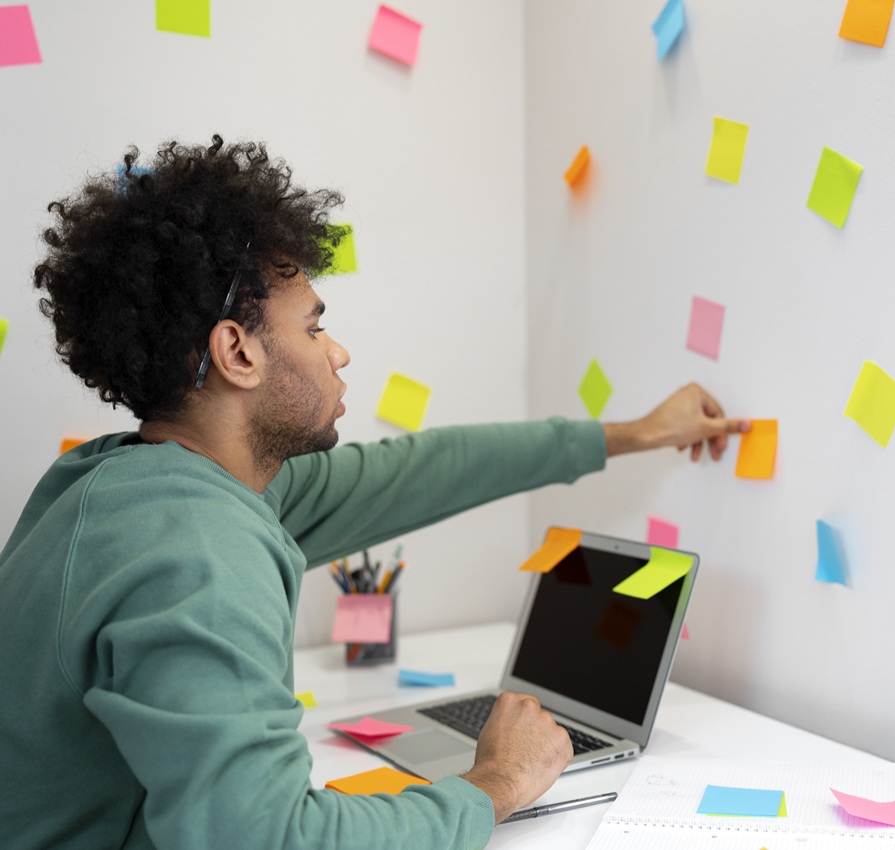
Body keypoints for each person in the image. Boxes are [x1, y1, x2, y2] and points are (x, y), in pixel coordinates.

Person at [0, 135, 747, 850]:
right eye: (316, 327)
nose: (339, 351)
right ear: (238, 352)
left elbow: (428, 468)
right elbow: (267, 840)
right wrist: (494, 785)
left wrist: (637, 433)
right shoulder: (198, 553)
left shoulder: (126, 483)